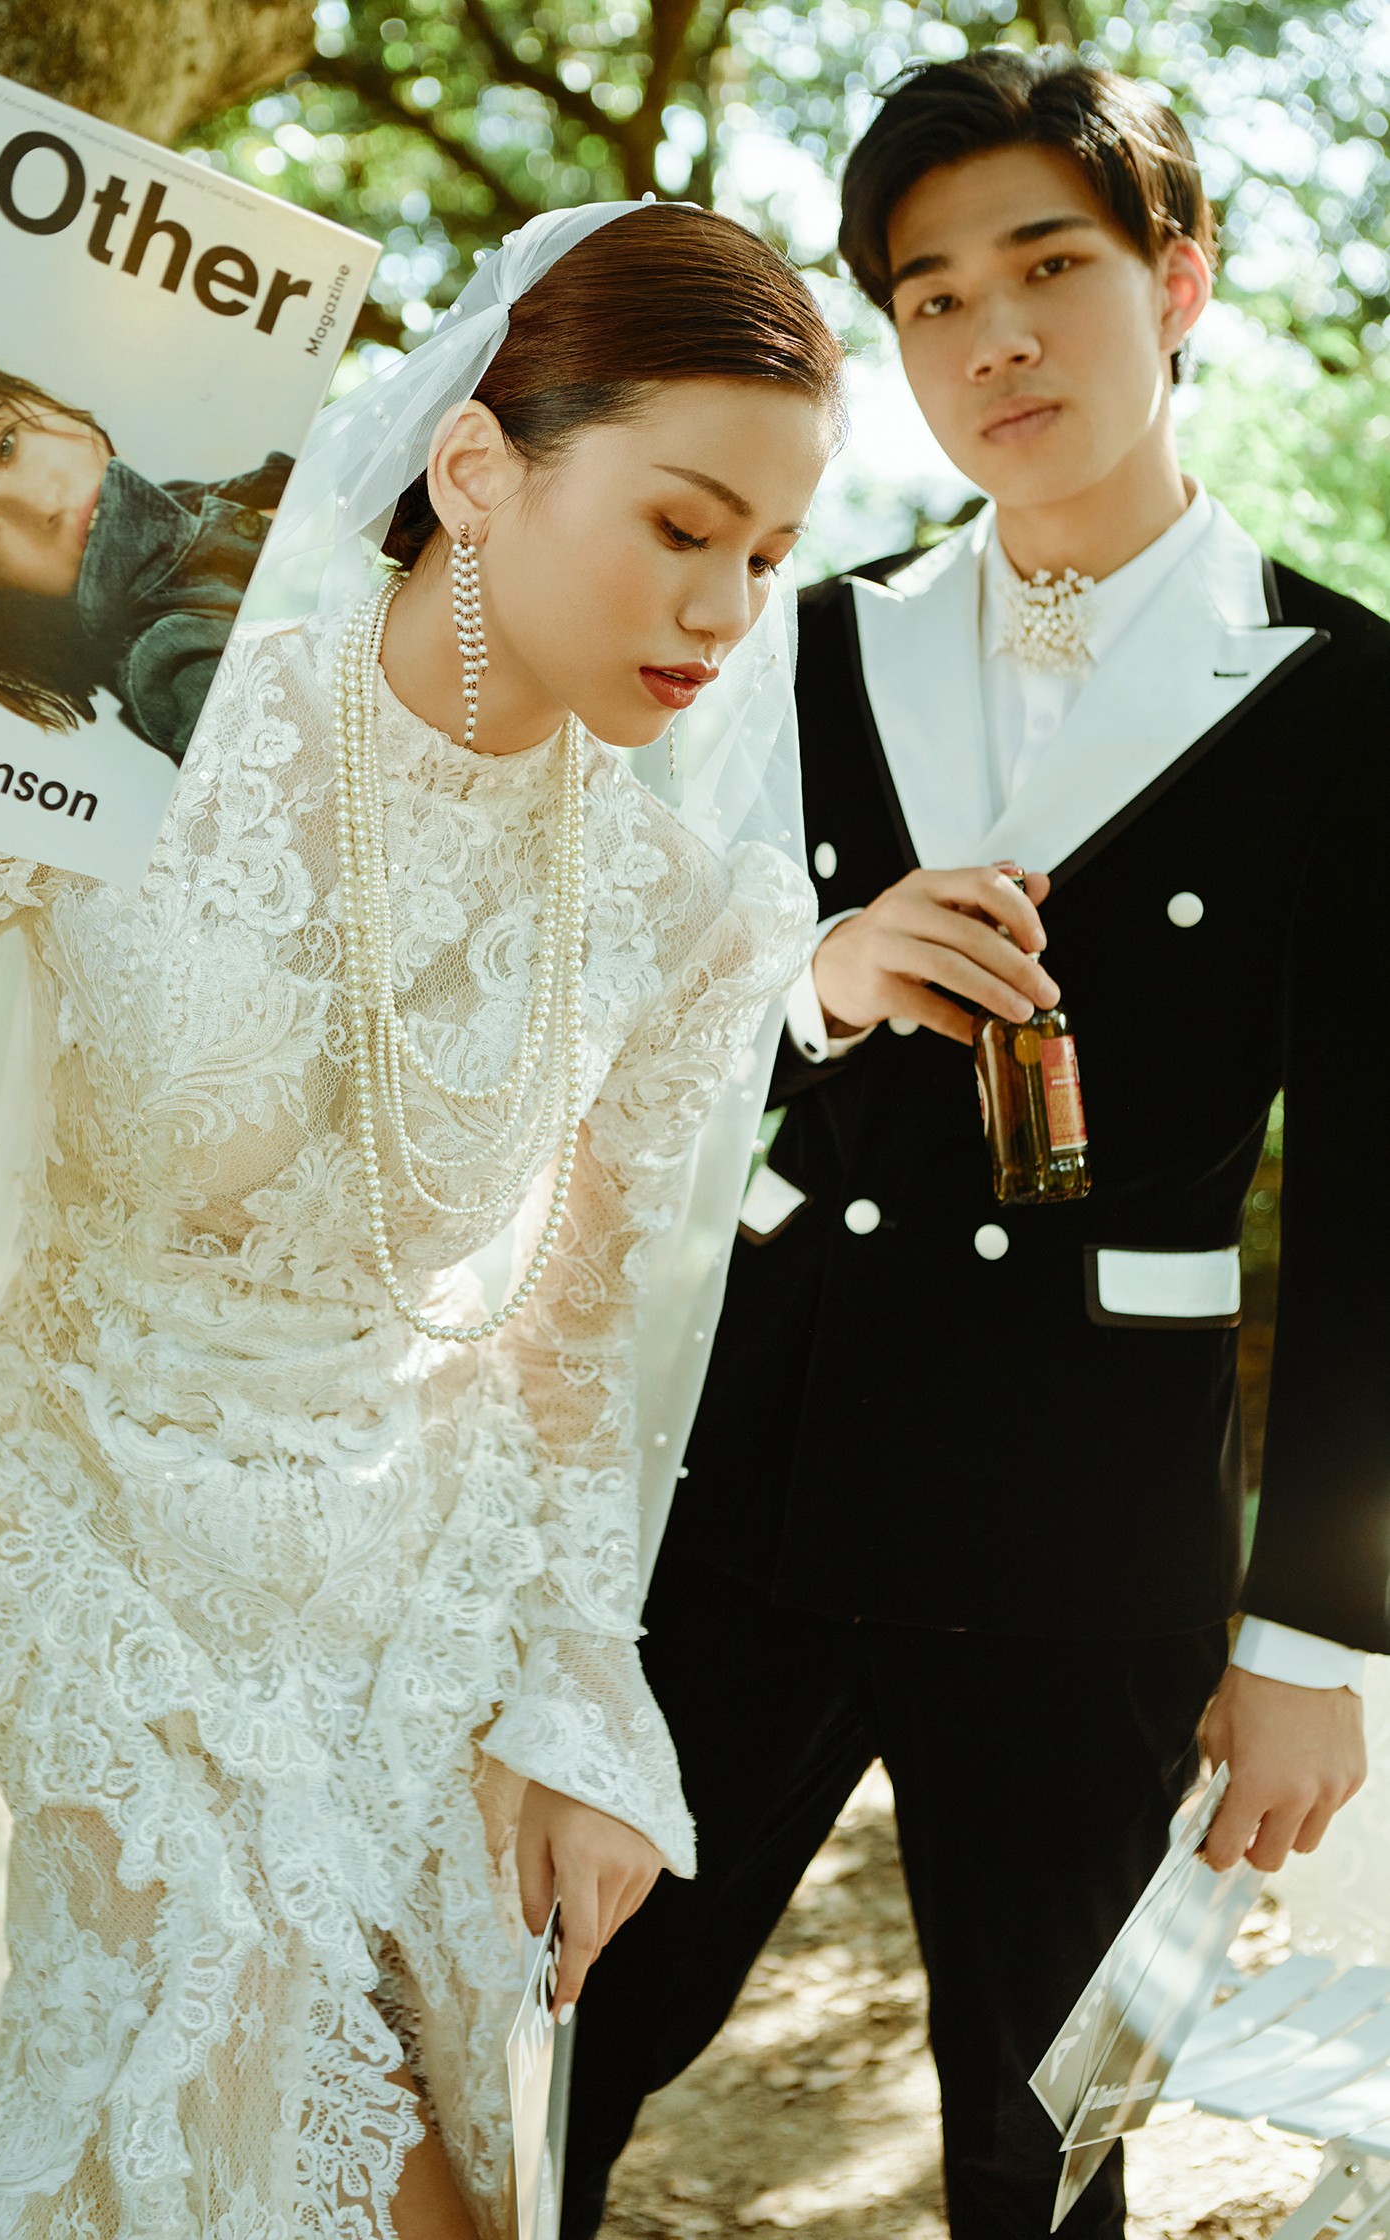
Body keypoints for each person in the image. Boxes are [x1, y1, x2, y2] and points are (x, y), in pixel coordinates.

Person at [0, 200, 842, 2239]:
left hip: (417, 1606)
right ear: (475, 468)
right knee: (269, 2154)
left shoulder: (686, 912)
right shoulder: (138, 728)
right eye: (681, 524)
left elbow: (578, 1335)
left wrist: (575, 1693)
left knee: (458, 2185)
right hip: (86, 1542)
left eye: (767, 555)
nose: (722, 607)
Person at [562, 51, 1389, 2240]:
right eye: (930, 299)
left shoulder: (1343, 699)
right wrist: (813, 979)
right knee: (562, 2031)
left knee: (1054, 2137)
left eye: (1046, 270)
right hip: (750, 1482)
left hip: (1090, 1536)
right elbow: (619, 1040)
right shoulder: (807, 640)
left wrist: (1309, 1644)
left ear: (1175, 282)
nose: (991, 339)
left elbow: (1374, 1212)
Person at [0, 347, 293, 763]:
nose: (42, 503)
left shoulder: (185, 501)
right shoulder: (170, 663)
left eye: (5, 446)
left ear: (37, 400)